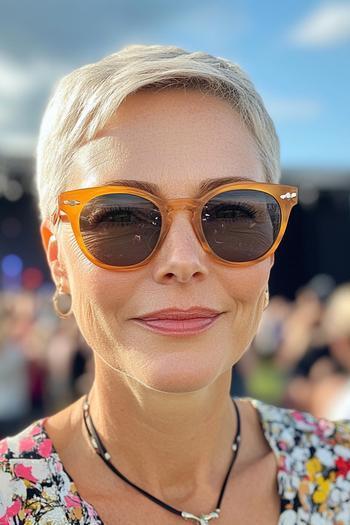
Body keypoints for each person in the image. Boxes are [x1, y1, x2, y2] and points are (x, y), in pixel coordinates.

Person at [0, 44, 349, 525]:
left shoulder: (341, 472)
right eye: (122, 217)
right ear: (59, 258)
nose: (183, 262)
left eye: (231, 213)